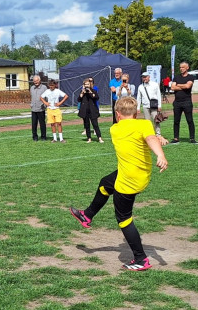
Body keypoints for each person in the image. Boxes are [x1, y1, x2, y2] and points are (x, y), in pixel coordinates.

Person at [68, 95, 169, 272]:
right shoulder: (144, 124)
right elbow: (149, 138)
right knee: (105, 183)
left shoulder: (115, 129)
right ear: (137, 113)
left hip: (128, 180)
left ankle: (141, 259)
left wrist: (158, 148)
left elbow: (149, 139)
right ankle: (88, 215)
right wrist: (159, 152)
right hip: (140, 174)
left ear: (117, 114)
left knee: (124, 219)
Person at [170, 61, 197, 143]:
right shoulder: (176, 77)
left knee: (189, 120)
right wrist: (183, 86)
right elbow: (172, 87)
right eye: (180, 67)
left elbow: (188, 86)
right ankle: (176, 138)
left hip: (187, 102)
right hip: (177, 102)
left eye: (183, 67)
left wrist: (178, 85)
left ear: (187, 68)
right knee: (176, 121)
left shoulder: (190, 77)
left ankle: (192, 138)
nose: (181, 69)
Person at [77, 77, 103, 143]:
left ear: (90, 84)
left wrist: (90, 91)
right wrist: (82, 93)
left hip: (92, 110)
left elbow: (96, 97)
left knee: (95, 124)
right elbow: (79, 99)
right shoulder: (82, 92)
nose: (86, 86)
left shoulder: (93, 91)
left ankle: (99, 138)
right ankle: (89, 138)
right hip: (85, 110)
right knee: (87, 125)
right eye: (85, 84)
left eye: (88, 84)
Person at [29, 75, 47, 142]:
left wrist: (45, 105)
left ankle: (43, 137)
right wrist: (31, 104)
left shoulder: (44, 88)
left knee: (42, 124)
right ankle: (35, 137)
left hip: (41, 108)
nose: (35, 82)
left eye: (36, 81)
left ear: (39, 80)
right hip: (33, 109)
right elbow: (32, 97)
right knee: (34, 124)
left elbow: (46, 97)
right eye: (34, 81)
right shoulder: (32, 88)